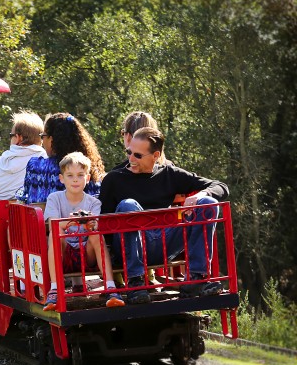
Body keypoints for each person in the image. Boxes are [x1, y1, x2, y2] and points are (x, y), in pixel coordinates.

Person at [99, 127, 229, 304]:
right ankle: (136, 282)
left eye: (138, 155)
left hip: (164, 241)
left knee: (209, 204)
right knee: (128, 205)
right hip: (130, 245)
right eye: (129, 152)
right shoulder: (114, 179)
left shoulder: (169, 174)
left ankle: (197, 278)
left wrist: (198, 196)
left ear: (155, 155)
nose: (130, 159)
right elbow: (104, 227)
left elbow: (220, 186)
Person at [42, 152, 124, 311]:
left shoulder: (94, 202)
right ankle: (54, 288)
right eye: (70, 175)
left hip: (87, 254)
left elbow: (95, 225)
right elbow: (52, 223)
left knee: (95, 234)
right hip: (64, 254)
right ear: (61, 178)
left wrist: (90, 224)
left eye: (80, 175)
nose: (75, 179)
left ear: (87, 179)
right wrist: (73, 221)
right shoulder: (54, 198)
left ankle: (110, 287)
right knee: (55, 232)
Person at [19, 112, 104, 204]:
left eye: (43, 136)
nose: (42, 141)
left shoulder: (35, 166)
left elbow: (26, 197)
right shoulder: (89, 170)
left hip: (42, 218)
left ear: (51, 139)